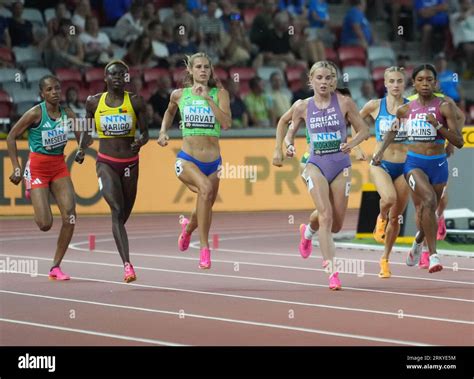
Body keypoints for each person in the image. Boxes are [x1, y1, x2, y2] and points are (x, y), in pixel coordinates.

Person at [284, 61, 370, 290]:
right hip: (315, 164)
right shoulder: (302, 106)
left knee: (337, 224)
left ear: (334, 82)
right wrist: (288, 145)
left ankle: (308, 230)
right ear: (310, 81)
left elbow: (364, 131)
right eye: (319, 78)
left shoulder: (344, 102)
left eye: (329, 78)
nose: (324, 82)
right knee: (326, 214)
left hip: (341, 166)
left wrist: (351, 144)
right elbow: (289, 132)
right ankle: (332, 270)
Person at [372, 64, 464, 274]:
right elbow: (392, 132)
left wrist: (438, 126)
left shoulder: (444, 107)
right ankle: (433, 256)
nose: (425, 83)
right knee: (429, 201)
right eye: (420, 79)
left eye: (429, 80)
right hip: (414, 164)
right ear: (413, 83)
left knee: (427, 210)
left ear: (435, 83)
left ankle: (418, 240)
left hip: (439, 164)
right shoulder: (406, 109)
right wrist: (380, 152)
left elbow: (459, 141)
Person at [6, 75, 86, 280]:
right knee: (45, 224)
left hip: (59, 167)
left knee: (70, 215)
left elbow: (83, 138)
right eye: (49, 89)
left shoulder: (67, 113)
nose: (55, 92)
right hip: (38, 169)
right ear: (42, 93)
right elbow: (11, 136)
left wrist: (81, 149)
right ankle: (29, 184)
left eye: (57, 88)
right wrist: (16, 167)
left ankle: (55, 267)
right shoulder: (35, 113)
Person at [158, 52, 231, 269]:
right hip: (187, 159)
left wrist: (208, 99)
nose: (202, 70)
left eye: (206, 67)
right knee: (206, 190)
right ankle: (204, 248)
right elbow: (169, 113)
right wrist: (163, 132)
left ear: (210, 70)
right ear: (190, 70)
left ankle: (188, 229)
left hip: (213, 161)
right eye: (198, 66)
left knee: (205, 200)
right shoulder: (179, 95)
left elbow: (226, 123)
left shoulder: (220, 94)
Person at [80, 60, 149, 282]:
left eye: (122, 74)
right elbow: (86, 130)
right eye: (113, 74)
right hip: (106, 162)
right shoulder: (93, 102)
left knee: (122, 215)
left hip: (130, 164)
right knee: (116, 209)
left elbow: (146, 133)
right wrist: (81, 148)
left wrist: (141, 141)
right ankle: (127, 265)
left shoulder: (136, 102)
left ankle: (118, 235)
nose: (118, 77)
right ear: (105, 78)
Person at [360, 67, 410, 278]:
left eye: (400, 81)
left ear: (404, 83)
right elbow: (355, 121)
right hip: (381, 163)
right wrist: (356, 146)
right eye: (392, 81)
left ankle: (385, 259)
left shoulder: (412, 107)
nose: (396, 85)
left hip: (406, 165)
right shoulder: (374, 105)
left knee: (397, 216)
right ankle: (380, 218)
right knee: (388, 198)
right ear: (386, 84)